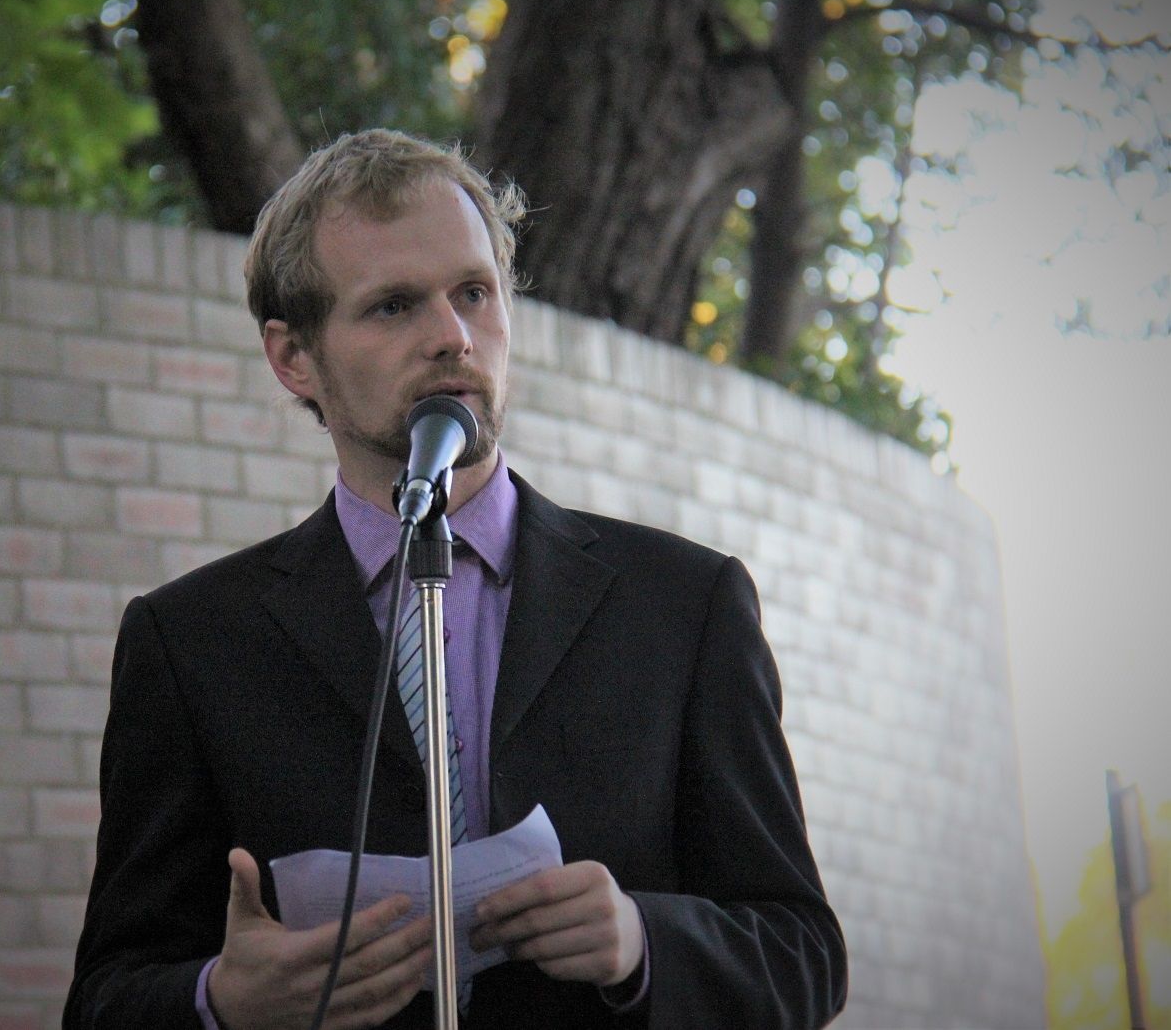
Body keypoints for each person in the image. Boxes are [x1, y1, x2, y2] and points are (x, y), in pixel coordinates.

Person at [64, 129, 847, 1029]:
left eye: (474, 293)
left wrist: (640, 940)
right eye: (394, 306)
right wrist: (221, 1001)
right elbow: (104, 1000)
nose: (452, 337)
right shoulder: (193, 640)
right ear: (293, 358)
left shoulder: (683, 603)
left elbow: (803, 956)